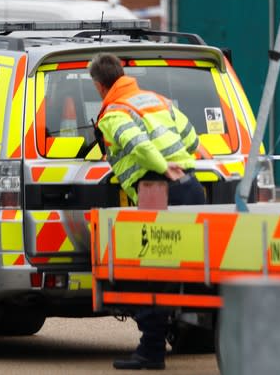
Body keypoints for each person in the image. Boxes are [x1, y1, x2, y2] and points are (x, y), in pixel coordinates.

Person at [88, 52, 205, 370]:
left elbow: (138, 145)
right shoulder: (156, 99)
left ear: (99, 86)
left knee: (150, 273)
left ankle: (150, 350)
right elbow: (191, 138)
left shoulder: (112, 113)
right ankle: (158, 343)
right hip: (192, 186)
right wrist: (178, 161)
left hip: (157, 189)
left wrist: (162, 167)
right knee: (178, 271)